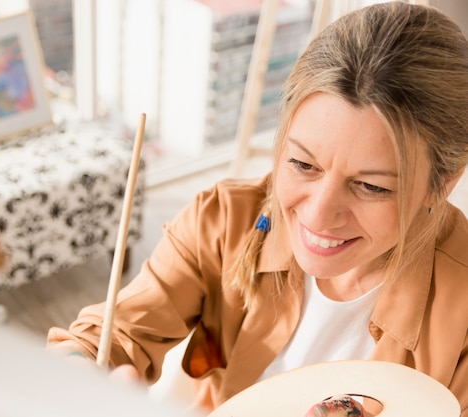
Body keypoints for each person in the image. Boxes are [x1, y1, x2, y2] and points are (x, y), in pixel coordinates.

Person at [48, 2, 468, 415]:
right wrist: (77, 371)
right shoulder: (224, 220)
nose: (318, 216)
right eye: (302, 164)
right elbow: (114, 334)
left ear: (442, 183)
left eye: (371, 187)